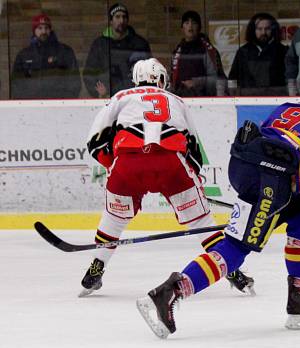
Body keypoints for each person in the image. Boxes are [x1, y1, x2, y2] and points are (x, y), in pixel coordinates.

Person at [136, 78, 300, 338]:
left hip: (248, 167)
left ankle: (299, 297)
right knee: (238, 247)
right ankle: (171, 291)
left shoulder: (289, 106)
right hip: (271, 178)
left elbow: (278, 146)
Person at [82, 58, 254, 298]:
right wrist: (191, 184)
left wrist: (116, 164)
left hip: (128, 163)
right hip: (171, 163)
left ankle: (95, 270)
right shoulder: (177, 100)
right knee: (201, 221)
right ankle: (232, 271)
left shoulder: (121, 97)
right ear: (161, 79)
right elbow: (194, 150)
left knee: (114, 218)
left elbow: (95, 140)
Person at [83, 3, 152, 98]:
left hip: (134, 98)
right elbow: (89, 72)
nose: (121, 20)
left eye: (124, 17)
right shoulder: (99, 44)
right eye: (117, 17)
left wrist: (141, 92)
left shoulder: (140, 44)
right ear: (111, 21)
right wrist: (98, 92)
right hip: (107, 98)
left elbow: (149, 71)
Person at [11, 13, 81, 99]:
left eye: (46, 28)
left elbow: (74, 80)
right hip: (32, 106)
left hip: (59, 105)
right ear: (34, 30)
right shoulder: (24, 55)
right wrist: (25, 103)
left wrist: (66, 101)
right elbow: (16, 83)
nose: (43, 31)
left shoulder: (64, 51)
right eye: (40, 28)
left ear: (50, 30)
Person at [228, 13, 287, 96]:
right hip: (248, 101)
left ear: (273, 30)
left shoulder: (282, 51)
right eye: (259, 29)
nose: (263, 32)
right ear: (253, 30)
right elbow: (233, 78)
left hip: (275, 100)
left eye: (267, 29)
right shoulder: (243, 52)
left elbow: (290, 79)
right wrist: (232, 96)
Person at [171, 11, 227, 97]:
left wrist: (196, 82)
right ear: (182, 28)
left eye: (194, 23)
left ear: (199, 28)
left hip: (203, 100)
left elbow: (219, 80)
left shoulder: (208, 51)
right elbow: (172, 81)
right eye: (186, 23)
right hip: (180, 100)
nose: (190, 26)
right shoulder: (177, 52)